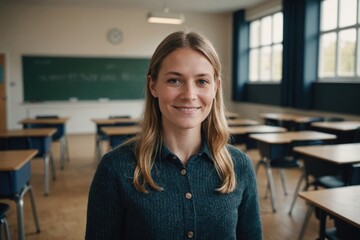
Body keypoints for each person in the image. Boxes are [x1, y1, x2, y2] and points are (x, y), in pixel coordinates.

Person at [85, 31, 262, 240]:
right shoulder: (114, 168)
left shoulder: (239, 166)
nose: (189, 94)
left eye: (202, 81)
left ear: (216, 88)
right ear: (153, 86)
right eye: (174, 80)